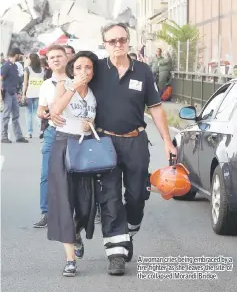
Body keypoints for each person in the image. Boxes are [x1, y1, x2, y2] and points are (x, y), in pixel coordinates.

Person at [51, 21, 177, 276]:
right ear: (105, 44)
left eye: (122, 40)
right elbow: (72, 86)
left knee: (136, 195)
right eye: (112, 41)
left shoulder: (143, 71)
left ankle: (129, 232)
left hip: (136, 141)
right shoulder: (97, 69)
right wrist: (48, 110)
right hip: (105, 143)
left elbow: (155, 108)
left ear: (128, 40)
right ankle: (116, 253)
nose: (118, 45)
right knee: (109, 197)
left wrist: (166, 139)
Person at [47, 51, 99, 276]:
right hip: (64, 145)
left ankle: (77, 232)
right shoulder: (64, 84)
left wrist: (91, 123)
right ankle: (70, 259)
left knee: (87, 203)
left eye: (87, 68)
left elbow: (93, 115)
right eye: (78, 67)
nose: (83, 72)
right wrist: (71, 87)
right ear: (72, 69)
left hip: (85, 147)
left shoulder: (95, 91)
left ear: (93, 71)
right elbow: (56, 111)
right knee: (65, 202)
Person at [33, 45, 68, 228]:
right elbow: (41, 109)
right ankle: (46, 212)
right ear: (48, 62)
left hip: (74, 134)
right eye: (52, 57)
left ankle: (81, 211)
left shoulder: (76, 81)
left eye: (59, 56)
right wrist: (42, 114)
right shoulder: (46, 85)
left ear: (66, 58)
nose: (55, 59)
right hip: (52, 133)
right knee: (46, 174)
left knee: (77, 173)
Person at [1, 48, 28, 143]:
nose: (20, 56)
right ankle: (4, 136)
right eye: (19, 55)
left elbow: (16, 80)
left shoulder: (14, 66)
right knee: (6, 115)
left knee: (16, 115)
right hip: (7, 92)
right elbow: (0, 78)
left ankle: (18, 136)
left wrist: (18, 92)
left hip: (14, 93)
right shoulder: (6, 66)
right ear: (15, 55)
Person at [22, 53, 44, 138]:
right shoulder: (42, 69)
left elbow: (25, 83)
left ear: (30, 59)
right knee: (37, 113)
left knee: (29, 113)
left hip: (30, 94)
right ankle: (41, 130)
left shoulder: (27, 69)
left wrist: (23, 94)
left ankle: (29, 132)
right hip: (39, 94)